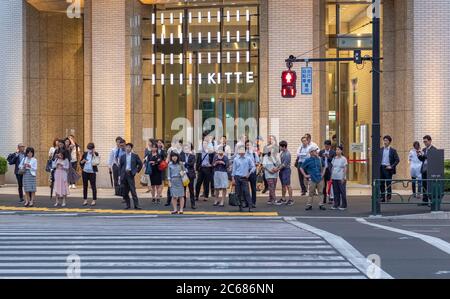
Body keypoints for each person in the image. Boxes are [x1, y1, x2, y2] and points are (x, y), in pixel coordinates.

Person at [119, 143, 143, 210]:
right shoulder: (122, 156)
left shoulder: (135, 156)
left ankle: (136, 205)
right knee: (125, 191)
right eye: (126, 147)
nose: (127, 148)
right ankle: (128, 205)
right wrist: (120, 175)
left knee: (133, 190)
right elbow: (120, 166)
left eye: (129, 147)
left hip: (130, 174)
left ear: (131, 148)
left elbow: (140, 164)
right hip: (124, 174)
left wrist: (136, 171)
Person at [232, 146, 255, 212]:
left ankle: (250, 207)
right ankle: (240, 206)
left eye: (243, 151)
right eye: (240, 151)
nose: (241, 153)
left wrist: (249, 173)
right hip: (237, 177)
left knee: (246, 192)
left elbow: (253, 167)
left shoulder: (248, 158)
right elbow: (234, 169)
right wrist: (233, 179)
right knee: (238, 193)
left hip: (245, 177)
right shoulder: (236, 159)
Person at [379, 135, 400, 202]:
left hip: (388, 169)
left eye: (386, 140)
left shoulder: (393, 150)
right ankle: (382, 197)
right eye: (384, 140)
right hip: (381, 167)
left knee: (388, 183)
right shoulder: (381, 149)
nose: (385, 142)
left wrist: (392, 166)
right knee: (381, 183)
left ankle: (388, 197)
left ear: (389, 142)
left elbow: (397, 160)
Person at [418, 135, 437, 205]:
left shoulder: (434, 149)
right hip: (424, 169)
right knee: (424, 185)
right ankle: (425, 200)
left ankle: (432, 200)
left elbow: (433, 158)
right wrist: (419, 155)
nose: (425, 143)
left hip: (431, 170)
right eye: (423, 142)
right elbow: (422, 160)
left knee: (430, 185)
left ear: (430, 141)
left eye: (425, 141)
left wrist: (424, 155)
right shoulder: (423, 149)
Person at [80, 143, 100, 207]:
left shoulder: (96, 154)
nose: (89, 150)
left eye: (91, 149)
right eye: (88, 149)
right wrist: (83, 161)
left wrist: (93, 153)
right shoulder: (85, 154)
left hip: (92, 172)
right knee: (85, 186)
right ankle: (85, 200)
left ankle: (94, 200)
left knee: (93, 186)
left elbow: (97, 162)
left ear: (93, 149)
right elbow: (80, 162)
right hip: (85, 171)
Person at [330, 145, 348, 210]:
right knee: (335, 191)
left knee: (342, 191)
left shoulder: (344, 159)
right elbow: (332, 167)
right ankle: (336, 204)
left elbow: (345, 168)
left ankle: (344, 205)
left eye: (338, 150)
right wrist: (331, 176)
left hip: (341, 177)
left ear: (341, 151)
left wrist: (343, 177)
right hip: (334, 177)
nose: (337, 151)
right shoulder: (334, 158)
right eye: (336, 150)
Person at [319, 140, 336, 204]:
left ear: (330, 146)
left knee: (331, 184)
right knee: (323, 185)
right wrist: (322, 157)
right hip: (323, 170)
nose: (326, 147)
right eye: (325, 146)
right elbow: (319, 159)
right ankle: (324, 198)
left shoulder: (333, 152)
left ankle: (331, 198)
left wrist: (328, 157)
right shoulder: (321, 152)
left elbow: (334, 161)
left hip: (330, 169)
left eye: (327, 146)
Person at [180, 143, 196, 209]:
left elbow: (192, 164)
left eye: (188, 148)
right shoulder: (181, 156)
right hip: (183, 174)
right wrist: (185, 164)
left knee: (191, 190)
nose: (186, 149)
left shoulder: (193, 156)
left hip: (190, 174)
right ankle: (183, 204)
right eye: (185, 148)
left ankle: (193, 204)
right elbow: (180, 164)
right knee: (183, 190)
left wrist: (185, 163)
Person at [277, 141, 294, 206]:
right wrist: (277, 168)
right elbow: (280, 163)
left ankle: (291, 199)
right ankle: (283, 198)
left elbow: (284, 164)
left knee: (288, 185)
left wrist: (277, 169)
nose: (280, 147)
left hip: (286, 170)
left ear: (284, 146)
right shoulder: (282, 153)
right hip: (281, 170)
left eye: (280, 146)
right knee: (283, 185)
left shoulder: (287, 154)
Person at [245, 140, 260, 208]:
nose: (248, 146)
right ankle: (246, 202)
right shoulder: (244, 153)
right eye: (247, 145)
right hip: (245, 172)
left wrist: (254, 164)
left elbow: (257, 162)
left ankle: (253, 202)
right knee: (245, 188)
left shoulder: (254, 153)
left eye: (249, 145)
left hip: (252, 172)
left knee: (253, 188)